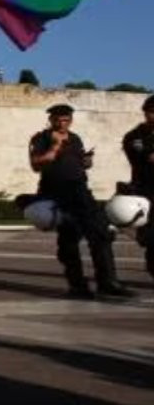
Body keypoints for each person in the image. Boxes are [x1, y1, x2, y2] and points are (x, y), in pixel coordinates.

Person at [30, 104, 134, 298]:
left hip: (81, 192)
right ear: (51, 119)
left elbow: (80, 165)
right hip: (56, 193)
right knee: (69, 240)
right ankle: (77, 286)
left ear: (71, 120)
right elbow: (36, 165)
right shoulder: (41, 138)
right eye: (59, 119)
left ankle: (108, 282)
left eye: (66, 119)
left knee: (101, 234)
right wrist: (55, 146)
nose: (63, 123)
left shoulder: (76, 139)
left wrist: (86, 161)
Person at [121, 95, 154, 281]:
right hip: (147, 192)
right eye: (152, 112)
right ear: (146, 113)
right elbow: (146, 159)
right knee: (152, 238)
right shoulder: (135, 137)